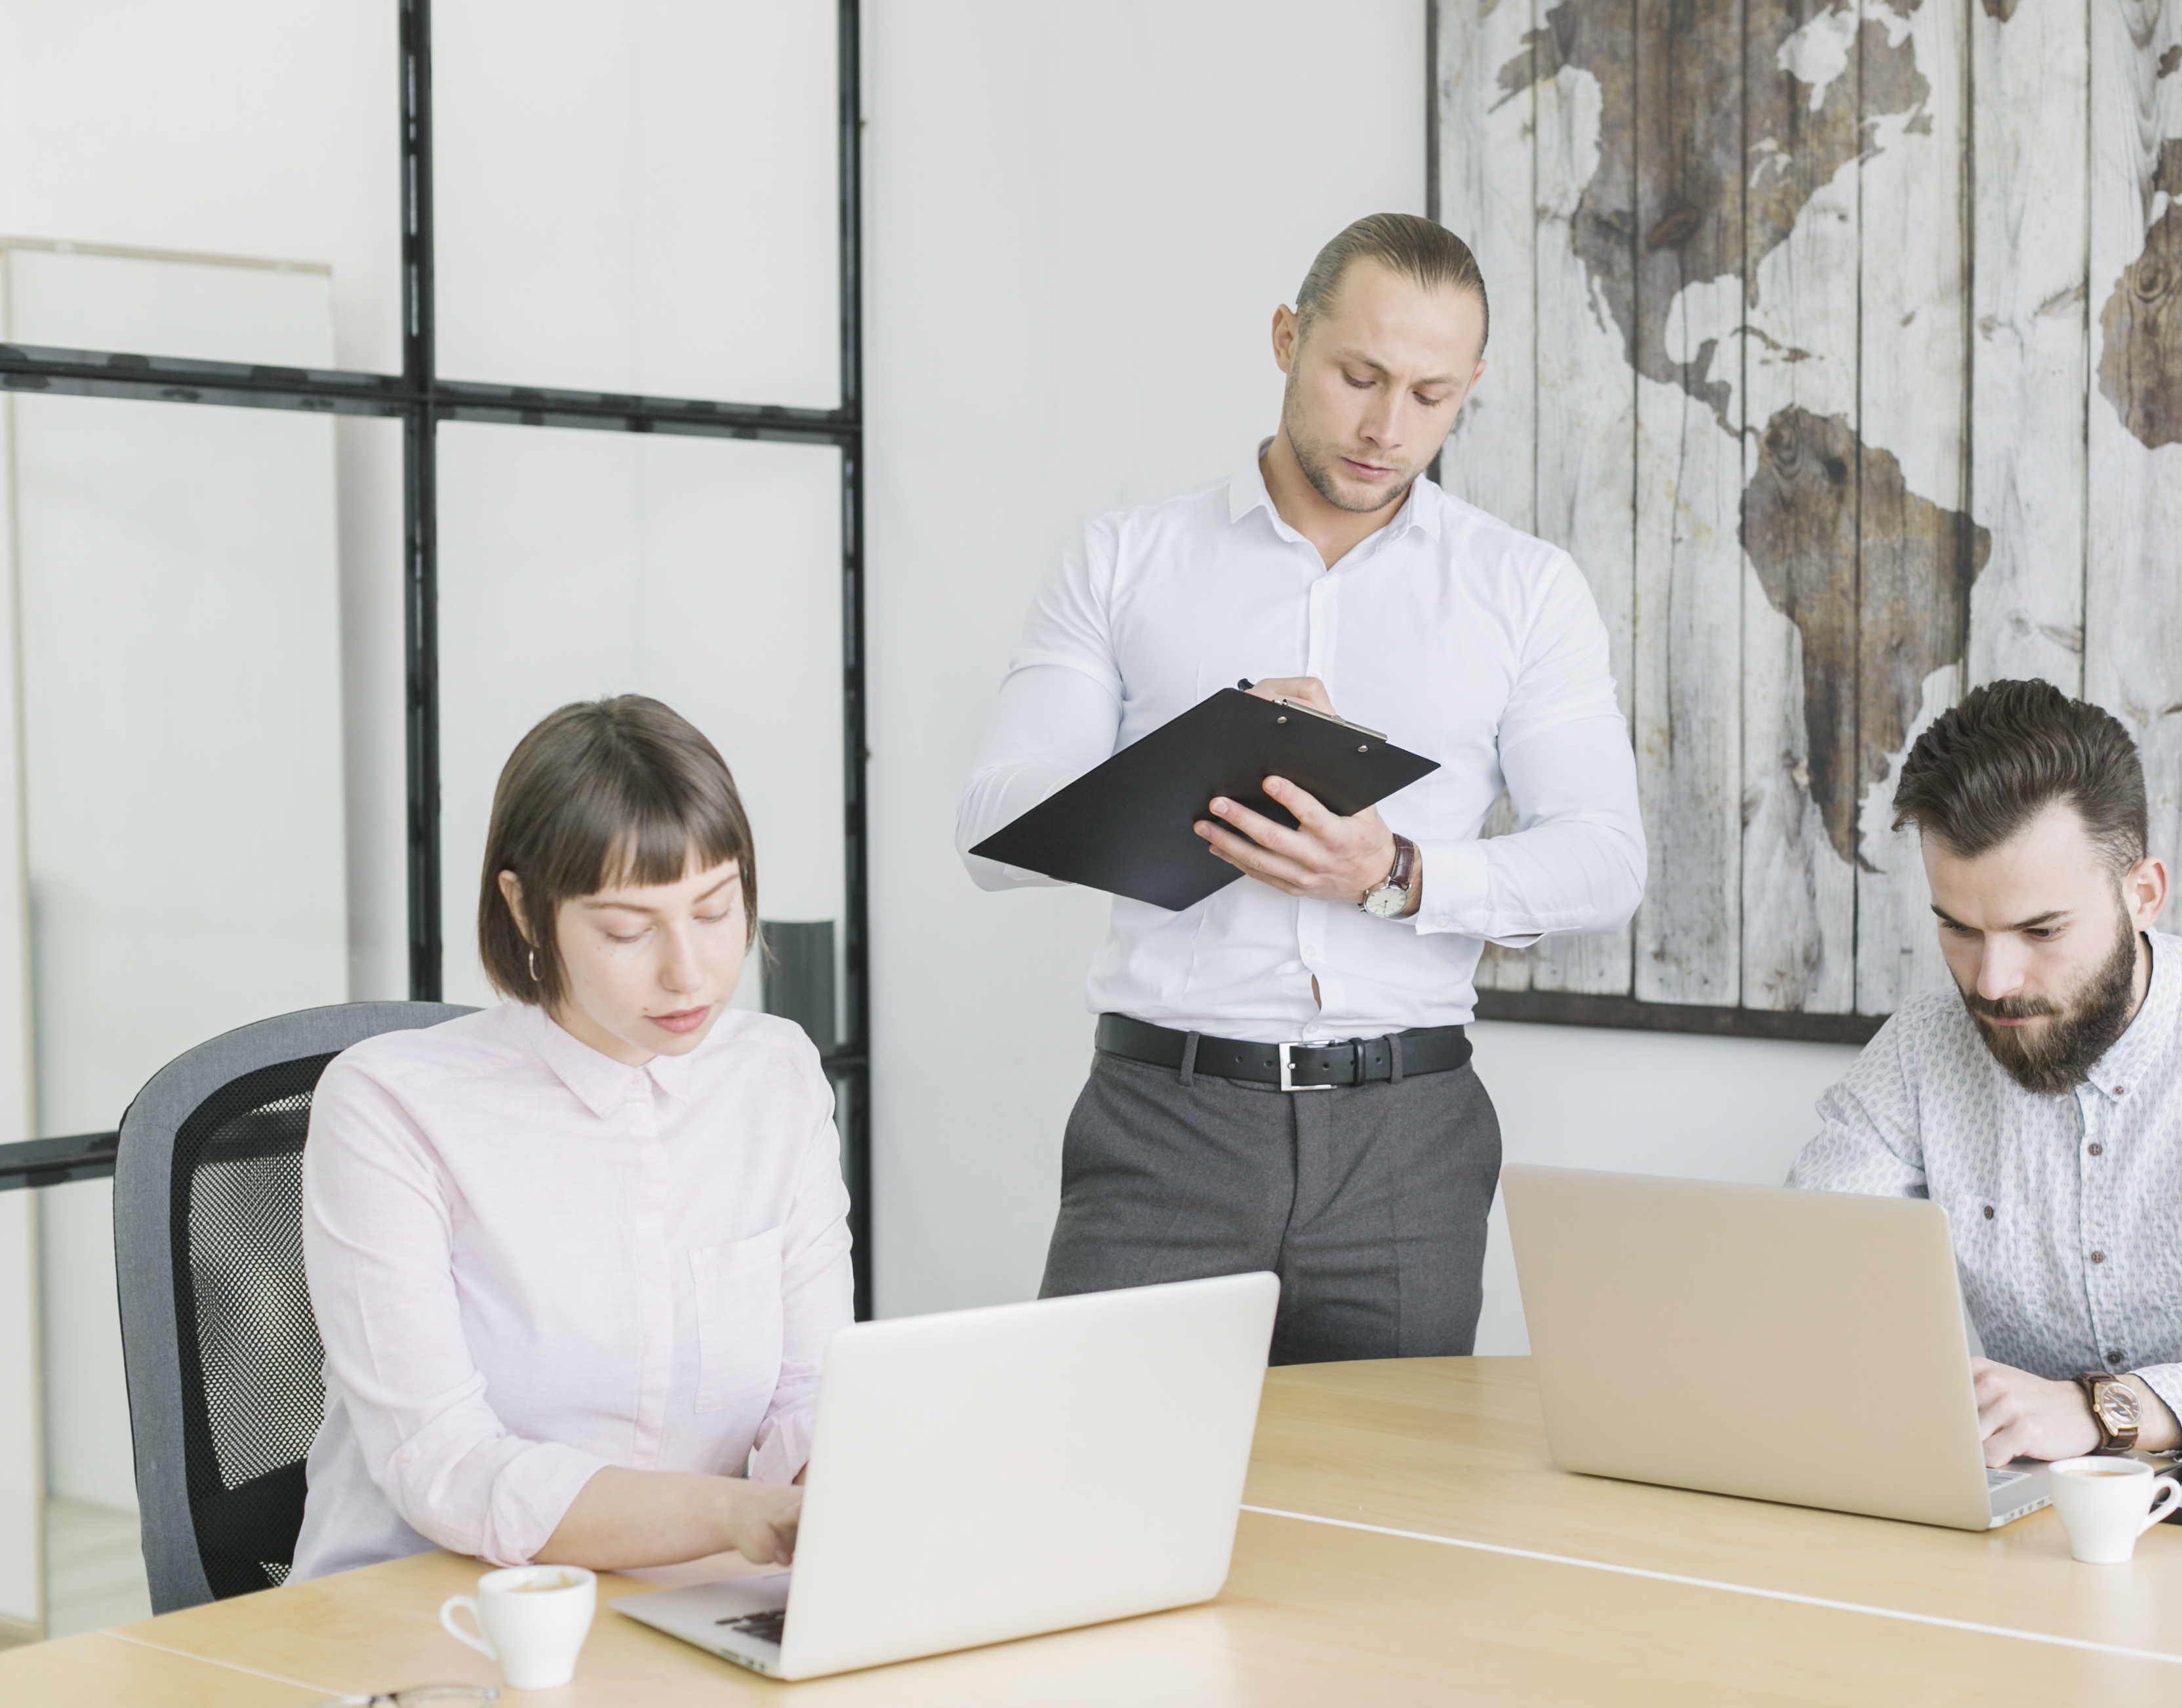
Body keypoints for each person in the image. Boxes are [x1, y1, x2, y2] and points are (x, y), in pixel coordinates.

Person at [956, 213, 1646, 1363]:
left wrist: (1395, 873)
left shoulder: (1522, 588)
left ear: (1470, 387)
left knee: (1391, 1521)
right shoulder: (1124, 558)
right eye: (1357, 376)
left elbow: (1605, 859)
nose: (1386, 428)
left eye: (1430, 395)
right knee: (1097, 1492)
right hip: (1161, 1126)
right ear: (1287, 338)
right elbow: (992, 831)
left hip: (1408, 1138)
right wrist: (1198, 750)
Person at [289, 696, 853, 1581]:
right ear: (523, 907)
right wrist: (733, 1511)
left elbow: (812, 1390)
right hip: (429, 1606)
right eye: (629, 930)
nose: (690, 971)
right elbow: (446, 1462)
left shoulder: (773, 1075)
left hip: (682, 1601)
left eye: (715, 910)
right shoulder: (390, 1104)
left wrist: (843, 1495)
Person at [1788, 679, 2182, 1463]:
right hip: (2043, 1527)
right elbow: (1799, 1281)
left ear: (2142, 894)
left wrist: (2102, 1412)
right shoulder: (1920, 1051)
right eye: (1958, 928)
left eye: (2040, 929)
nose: (1991, 981)